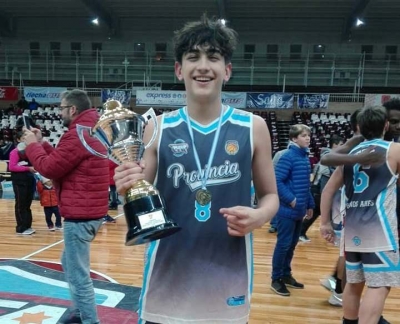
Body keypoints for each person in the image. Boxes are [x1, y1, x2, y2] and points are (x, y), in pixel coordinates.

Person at [114, 15, 279, 324]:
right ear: (179, 70)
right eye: (193, 57)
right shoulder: (156, 128)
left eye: (213, 57)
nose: (203, 66)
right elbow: (139, 205)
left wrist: (259, 216)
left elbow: (271, 196)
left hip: (227, 280)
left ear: (227, 70)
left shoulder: (253, 127)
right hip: (167, 280)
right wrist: (126, 187)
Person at [23, 89, 109, 324]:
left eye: (61, 108)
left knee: (79, 276)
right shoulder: (91, 130)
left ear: (72, 109)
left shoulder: (76, 135)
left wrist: (32, 146)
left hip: (80, 215)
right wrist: (43, 144)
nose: (59, 112)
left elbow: (49, 169)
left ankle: (89, 319)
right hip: (91, 212)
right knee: (68, 262)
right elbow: (64, 161)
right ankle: (81, 313)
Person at [320, 105, 400, 324]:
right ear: (385, 125)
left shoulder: (349, 154)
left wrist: (325, 223)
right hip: (380, 230)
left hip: (351, 230)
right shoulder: (394, 150)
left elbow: (328, 189)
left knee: (353, 284)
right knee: (379, 285)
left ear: (359, 127)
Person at [270, 124, 315, 296]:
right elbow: (277, 182)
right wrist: (292, 199)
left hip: (299, 211)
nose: (308, 138)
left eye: (308, 135)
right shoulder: (287, 156)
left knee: (292, 245)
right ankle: (276, 279)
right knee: (283, 245)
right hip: (287, 211)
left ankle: (286, 275)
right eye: (304, 135)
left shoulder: (304, 157)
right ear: (294, 138)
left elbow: (305, 184)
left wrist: (310, 204)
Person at [299, 134, 343, 243]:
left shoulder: (330, 157)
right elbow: (325, 178)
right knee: (320, 211)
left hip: (319, 190)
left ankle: (300, 232)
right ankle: (332, 234)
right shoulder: (328, 157)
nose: (343, 147)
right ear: (334, 144)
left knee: (316, 212)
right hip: (318, 190)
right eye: (341, 145)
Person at [8, 131, 36, 235]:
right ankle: (21, 227)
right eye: (23, 138)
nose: (26, 139)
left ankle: (28, 225)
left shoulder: (29, 152)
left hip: (29, 180)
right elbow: (12, 167)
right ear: (19, 140)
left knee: (27, 204)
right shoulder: (15, 152)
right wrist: (28, 168)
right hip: (19, 181)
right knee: (21, 204)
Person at [268, 140, 295, 233]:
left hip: (289, 183)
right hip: (280, 182)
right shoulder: (280, 154)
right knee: (277, 203)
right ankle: (275, 224)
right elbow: (272, 167)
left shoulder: (299, 155)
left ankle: (279, 225)